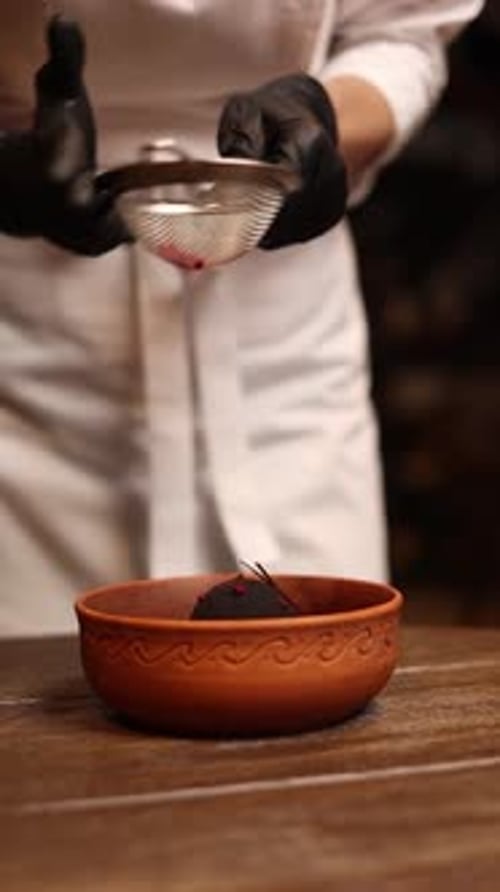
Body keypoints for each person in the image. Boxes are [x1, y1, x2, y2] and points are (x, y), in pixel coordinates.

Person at [0, 1, 482, 637]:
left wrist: (326, 122)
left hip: (285, 351)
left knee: (318, 688)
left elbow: (402, 37)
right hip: (30, 359)